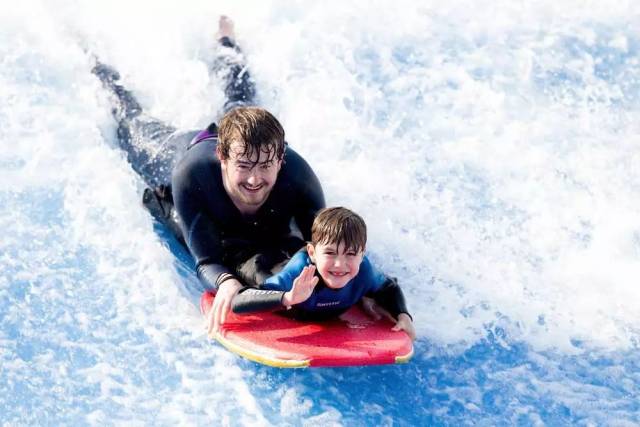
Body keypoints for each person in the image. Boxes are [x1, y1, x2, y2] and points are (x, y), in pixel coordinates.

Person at [91, 17, 326, 334]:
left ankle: (225, 41)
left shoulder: (298, 176)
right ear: (223, 158)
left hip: (248, 140)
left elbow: (327, 240)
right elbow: (206, 259)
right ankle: (94, 60)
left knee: (240, 99)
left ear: (280, 160)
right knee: (131, 125)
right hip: (178, 148)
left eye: (266, 167)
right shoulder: (193, 174)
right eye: (244, 167)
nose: (255, 180)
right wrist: (226, 281)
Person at [231, 207, 416, 340]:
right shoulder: (297, 275)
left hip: (306, 253)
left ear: (362, 254)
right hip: (267, 263)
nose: (339, 264)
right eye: (330, 253)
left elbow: (390, 287)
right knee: (252, 267)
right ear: (312, 253)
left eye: (351, 254)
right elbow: (238, 302)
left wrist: (403, 315)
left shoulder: (364, 270)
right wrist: (287, 297)